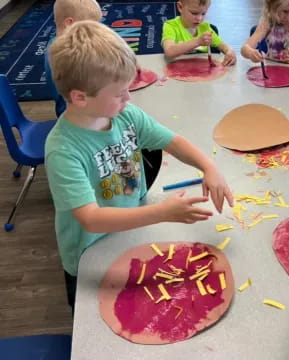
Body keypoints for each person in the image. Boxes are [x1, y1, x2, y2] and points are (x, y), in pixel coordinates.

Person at [46, 20, 233, 310]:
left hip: (132, 231)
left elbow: (172, 141)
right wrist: (161, 213)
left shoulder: (126, 115)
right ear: (80, 98)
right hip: (89, 252)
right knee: (97, 319)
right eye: (119, 93)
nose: (128, 97)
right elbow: (91, 218)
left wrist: (208, 166)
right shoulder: (63, 150)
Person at [45, 0, 163, 189]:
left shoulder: (74, 53)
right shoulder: (63, 151)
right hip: (78, 117)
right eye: (93, 26)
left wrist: (120, 68)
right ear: (70, 24)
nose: (99, 30)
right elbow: (90, 216)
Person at [45, 0, 102, 118]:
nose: (95, 31)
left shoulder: (57, 44)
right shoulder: (66, 54)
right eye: (91, 26)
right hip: (73, 113)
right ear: (70, 23)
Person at [161, 0, 236, 66]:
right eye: (194, 13)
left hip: (202, 73)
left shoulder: (205, 27)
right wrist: (197, 41)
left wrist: (230, 52)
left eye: (203, 14)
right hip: (177, 72)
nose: (199, 19)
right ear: (180, 7)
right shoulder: (171, 26)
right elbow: (169, 51)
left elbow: (222, 46)